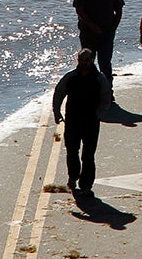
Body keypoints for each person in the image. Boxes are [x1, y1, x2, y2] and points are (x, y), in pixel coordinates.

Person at [52, 48, 113, 199]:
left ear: (92, 60)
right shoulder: (70, 77)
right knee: (72, 151)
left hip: (91, 122)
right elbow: (59, 92)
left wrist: (99, 113)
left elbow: (107, 96)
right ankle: (73, 177)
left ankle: (86, 185)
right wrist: (57, 112)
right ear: (78, 61)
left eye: (87, 60)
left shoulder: (99, 79)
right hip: (72, 120)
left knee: (88, 155)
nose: (84, 63)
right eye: (82, 60)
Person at [72, 0, 124, 94]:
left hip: (106, 34)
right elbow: (79, 10)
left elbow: (119, 9)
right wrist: (91, 25)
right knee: (87, 62)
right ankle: (87, 90)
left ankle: (107, 91)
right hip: (88, 34)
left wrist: (114, 27)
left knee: (105, 62)